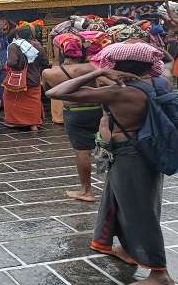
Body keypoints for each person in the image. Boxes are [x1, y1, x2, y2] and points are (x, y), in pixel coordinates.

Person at [46, 42, 172, 285]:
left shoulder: (119, 92)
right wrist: (148, 45)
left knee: (140, 211)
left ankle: (160, 274)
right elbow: (166, 61)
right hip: (145, 150)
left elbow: (55, 92)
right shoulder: (160, 81)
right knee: (116, 200)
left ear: (117, 67)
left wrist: (97, 73)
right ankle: (119, 247)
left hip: (130, 155)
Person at [41, 34, 100, 202]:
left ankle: (86, 190)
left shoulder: (49, 73)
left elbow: (47, 90)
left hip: (74, 113)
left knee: (82, 152)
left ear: (61, 52)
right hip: (97, 110)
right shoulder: (92, 67)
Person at [3, 22, 49, 131]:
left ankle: (14, 122)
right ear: (31, 35)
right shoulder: (37, 45)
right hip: (34, 78)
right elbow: (45, 61)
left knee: (9, 98)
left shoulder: (14, 45)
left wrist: (21, 63)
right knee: (34, 100)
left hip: (17, 79)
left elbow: (11, 62)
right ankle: (33, 124)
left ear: (17, 36)